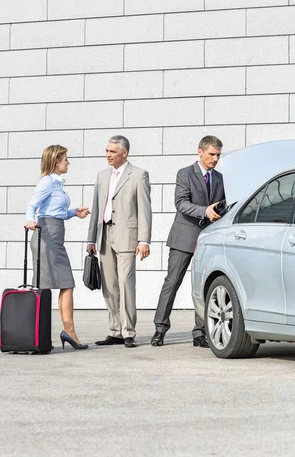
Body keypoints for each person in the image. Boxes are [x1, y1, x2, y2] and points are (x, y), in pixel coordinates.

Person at [151, 135, 225, 348]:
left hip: (209, 238)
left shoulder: (220, 177)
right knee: (172, 282)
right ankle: (160, 329)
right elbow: (181, 203)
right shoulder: (185, 174)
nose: (215, 158)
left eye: (218, 155)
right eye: (212, 154)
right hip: (184, 236)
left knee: (204, 284)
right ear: (200, 152)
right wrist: (205, 211)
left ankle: (200, 332)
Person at [86, 135, 152, 348]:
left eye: (112, 152)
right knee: (110, 286)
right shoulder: (101, 175)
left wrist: (144, 240)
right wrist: (90, 239)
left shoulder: (139, 175)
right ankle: (115, 331)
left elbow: (144, 210)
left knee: (126, 284)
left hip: (127, 237)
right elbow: (96, 208)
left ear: (124, 153)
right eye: (107, 151)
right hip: (105, 235)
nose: (108, 155)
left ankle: (128, 332)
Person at [25, 145, 90, 350]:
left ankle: (55, 333)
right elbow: (32, 206)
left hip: (55, 236)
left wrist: (73, 212)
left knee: (63, 283)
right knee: (61, 284)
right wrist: (29, 221)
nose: (68, 162)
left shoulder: (57, 183)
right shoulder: (47, 182)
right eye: (65, 159)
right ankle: (64, 332)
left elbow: (54, 211)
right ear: (55, 162)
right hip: (47, 238)